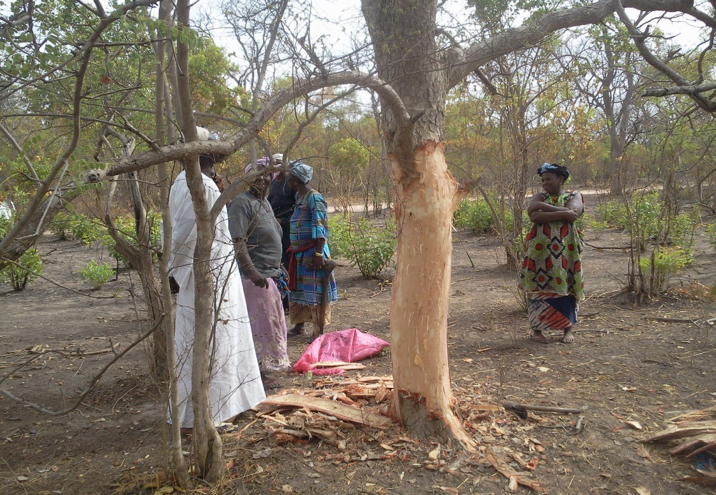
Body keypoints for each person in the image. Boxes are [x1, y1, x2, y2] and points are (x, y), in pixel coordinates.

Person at [168, 154, 265, 431]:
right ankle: (213, 411)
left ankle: (232, 403)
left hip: (215, 270)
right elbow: (185, 233)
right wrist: (179, 270)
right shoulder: (198, 184)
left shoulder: (195, 182)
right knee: (215, 339)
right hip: (208, 272)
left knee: (226, 335)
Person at [228, 157, 291, 385]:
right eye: (258, 175)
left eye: (267, 175)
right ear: (247, 178)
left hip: (270, 273)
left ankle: (271, 368)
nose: (263, 179)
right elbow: (238, 240)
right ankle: (261, 374)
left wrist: (279, 265)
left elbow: (270, 234)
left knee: (273, 323)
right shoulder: (241, 203)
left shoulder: (264, 202)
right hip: (253, 278)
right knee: (261, 326)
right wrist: (252, 271)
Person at [519, 163, 585, 344]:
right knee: (537, 286)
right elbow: (534, 216)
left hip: (567, 251)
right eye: (543, 180)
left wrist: (543, 207)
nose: (544, 183)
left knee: (567, 284)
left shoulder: (574, 195)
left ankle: (567, 330)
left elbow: (575, 212)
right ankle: (537, 330)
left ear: (560, 179)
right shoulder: (540, 196)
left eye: (548, 179)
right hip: (540, 252)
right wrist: (562, 211)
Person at [285, 161, 337, 338]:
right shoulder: (299, 197)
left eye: (290, 176)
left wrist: (318, 253)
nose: (287, 179)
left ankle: (317, 331)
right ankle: (299, 327)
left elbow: (320, 224)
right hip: (300, 254)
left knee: (314, 292)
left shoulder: (314, 197)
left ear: (296, 180)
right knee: (300, 291)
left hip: (312, 252)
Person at [267, 154, 296, 310]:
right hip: (274, 229)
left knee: (289, 261)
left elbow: (297, 208)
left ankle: (290, 301)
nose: (277, 166)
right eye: (274, 163)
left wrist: (284, 220)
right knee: (279, 261)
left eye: (279, 163)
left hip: (288, 229)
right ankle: (282, 299)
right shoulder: (272, 182)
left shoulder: (291, 183)